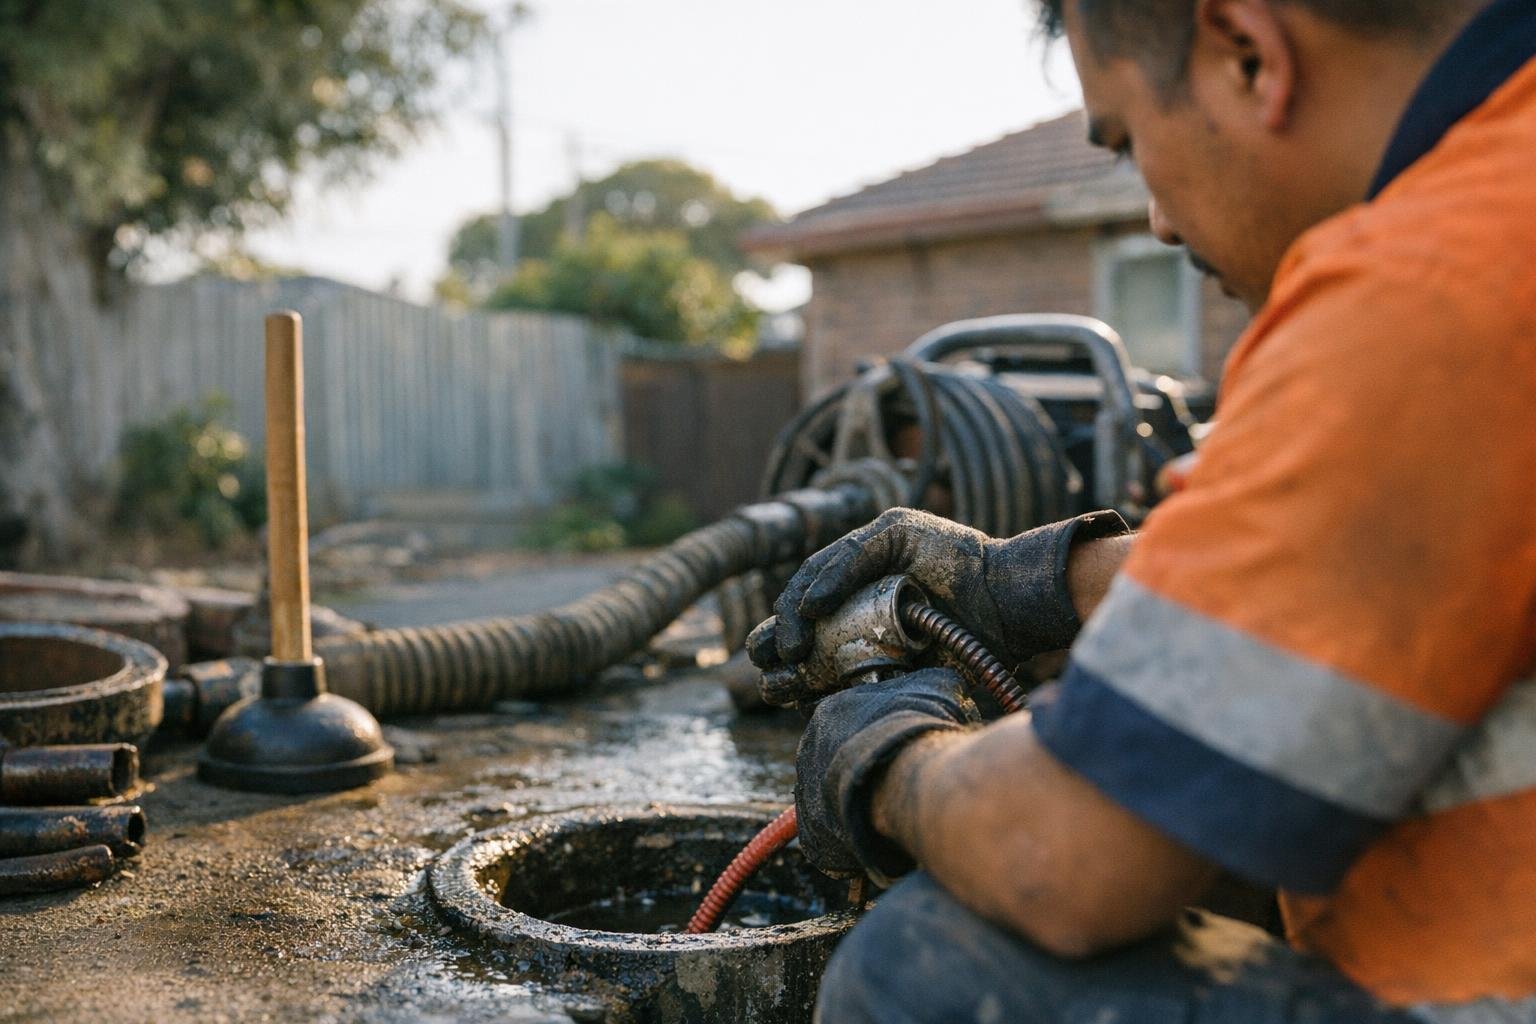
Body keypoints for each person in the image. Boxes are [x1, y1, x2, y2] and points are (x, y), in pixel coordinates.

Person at [747, 0, 1536, 1020]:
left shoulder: (1428, 287)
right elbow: (1380, 556)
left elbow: (1067, 857)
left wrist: (882, 760)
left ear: (1246, 52)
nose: (1158, 220)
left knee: (923, 961)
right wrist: (1029, 584)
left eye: (1127, 141)